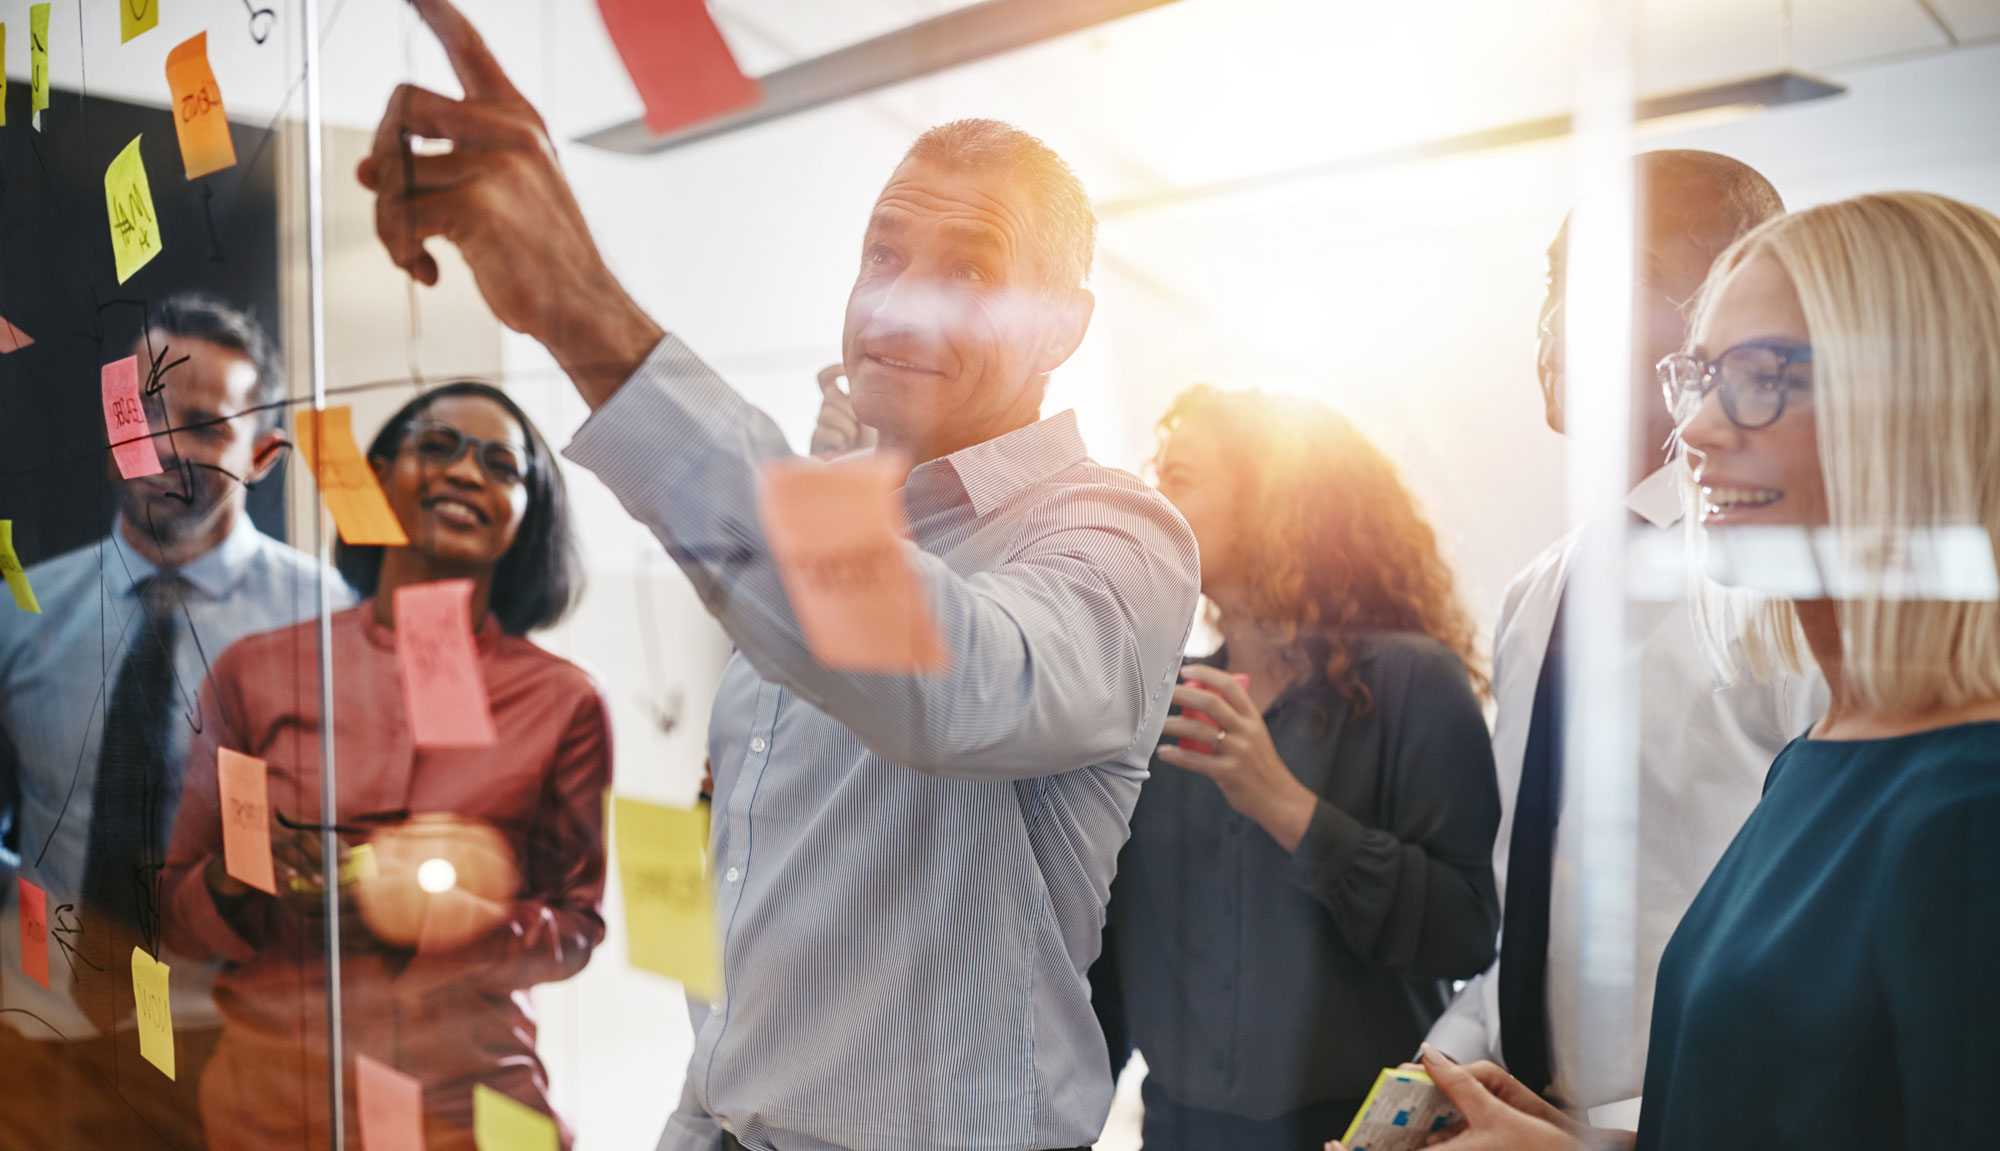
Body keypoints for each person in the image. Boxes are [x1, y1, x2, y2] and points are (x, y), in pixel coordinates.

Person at [355, 4, 1200, 1149]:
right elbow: (750, 916)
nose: (902, 299)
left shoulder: (1113, 536)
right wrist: (696, 1117)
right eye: (884, 254)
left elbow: (945, 681)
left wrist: (585, 314)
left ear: (1063, 325)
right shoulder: (835, 518)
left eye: (970, 269)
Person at [1418, 189, 2000, 1151]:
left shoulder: (1970, 808)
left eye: (1765, 377)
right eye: (1701, 378)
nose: (1694, 433)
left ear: (1929, 405)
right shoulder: (1817, 759)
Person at [1421, 152, 1827, 1129]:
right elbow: (1535, 912)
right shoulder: (1535, 593)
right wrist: (1442, 1069)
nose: (1554, 323)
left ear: (1732, 311)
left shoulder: (1790, 587)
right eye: (1554, 283)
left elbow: (1836, 964)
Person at [159, 382, 611, 1151]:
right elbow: (172, 913)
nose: (468, 472)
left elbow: (575, 930)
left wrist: (432, 915)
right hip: (275, 1110)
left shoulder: (563, 701)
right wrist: (246, 873)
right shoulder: (256, 673)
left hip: (474, 1110)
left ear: (529, 512)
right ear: (377, 478)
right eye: (438, 446)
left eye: (502, 465)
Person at [1087, 385, 1499, 1149]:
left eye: (1181, 476)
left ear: (1271, 500)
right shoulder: (1150, 697)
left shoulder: (1417, 683)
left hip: (1357, 1136)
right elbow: (1109, 963)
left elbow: (1465, 931)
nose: (1152, 498)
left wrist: (1284, 805)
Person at [0, 293, 346, 1149]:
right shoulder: (21, 610)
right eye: (143, 411)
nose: (160, 444)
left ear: (263, 454)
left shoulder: (328, 625)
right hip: (38, 1037)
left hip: (239, 1045)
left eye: (202, 424)